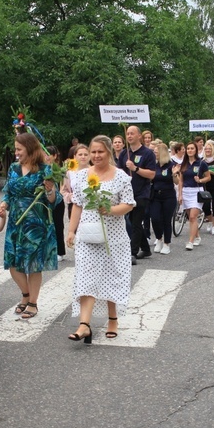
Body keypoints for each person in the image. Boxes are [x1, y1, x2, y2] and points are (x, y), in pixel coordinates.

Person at [66, 135, 135, 343]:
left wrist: (111, 209)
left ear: (108, 153)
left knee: (111, 276)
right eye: (93, 152)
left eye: (100, 152)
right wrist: (71, 231)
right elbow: (77, 204)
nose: (96, 156)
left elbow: (129, 204)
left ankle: (113, 319)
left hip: (113, 237)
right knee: (86, 276)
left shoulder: (121, 176)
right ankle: (84, 325)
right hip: (87, 235)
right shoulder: (80, 176)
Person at [0, 132, 60, 321]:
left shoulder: (45, 170)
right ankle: (25, 294)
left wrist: (49, 190)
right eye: (15, 149)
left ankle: (32, 302)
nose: (16, 153)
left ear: (31, 149)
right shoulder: (14, 168)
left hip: (36, 222)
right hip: (16, 220)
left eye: (19, 149)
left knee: (33, 264)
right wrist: (4, 204)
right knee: (13, 262)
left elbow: (54, 201)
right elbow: (8, 192)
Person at [117, 126, 156, 262]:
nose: (129, 136)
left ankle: (132, 252)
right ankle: (145, 249)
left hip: (141, 193)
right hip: (126, 193)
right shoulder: (124, 153)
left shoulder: (148, 153)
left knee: (135, 223)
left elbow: (152, 174)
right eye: (127, 134)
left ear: (139, 136)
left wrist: (136, 168)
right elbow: (118, 172)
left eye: (132, 133)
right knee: (131, 222)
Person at [178, 142, 211, 248]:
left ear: (196, 150)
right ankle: (197, 236)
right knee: (190, 217)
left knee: (193, 217)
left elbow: (208, 177)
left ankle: (190, 241)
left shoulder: (201, 163)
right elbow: (181, 181)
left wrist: (200, 180)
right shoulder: (184, 164)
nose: (190, 150)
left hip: (196, 191)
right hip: (186, 191)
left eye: (192, 148)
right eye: (188, 148)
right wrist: (180, 195)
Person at [149, 143, 178, 255]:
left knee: (166, 220)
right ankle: (159, 238)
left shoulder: (171, 165)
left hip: (168, 196)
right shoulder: (153, 165)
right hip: (155, 195)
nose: (154, 154)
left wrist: (174, 175)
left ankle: (167, 243)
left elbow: (177, 182)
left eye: (156, 152)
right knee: (155, 218)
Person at [45, 145, 67, 261]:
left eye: (49, 154)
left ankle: (60, 251)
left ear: (55, 156)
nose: (46, 157)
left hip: (57, 200)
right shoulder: (41, 168)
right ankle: (48, 249)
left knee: (58, 225)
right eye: (45, 154)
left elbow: (62, 185)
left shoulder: (58, 169)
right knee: (46, 225)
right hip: (45, 200)